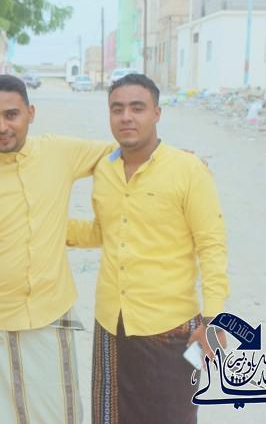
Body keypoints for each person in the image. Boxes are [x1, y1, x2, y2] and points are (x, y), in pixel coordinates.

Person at [0, 74, 113, 423]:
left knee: (58, 416)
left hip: (50, 315)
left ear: (30, 113)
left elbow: (119, 154)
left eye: (12, 115)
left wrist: (173, 162)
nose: (2, 127)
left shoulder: (59, 153)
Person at [66, 74, 229, 424]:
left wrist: (214, 320)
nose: (126, 117)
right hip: (112, 325)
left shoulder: (187, 170)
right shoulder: (105, 170)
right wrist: (48, 227)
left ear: (157, 112)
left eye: (137, 108)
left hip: (170, 330)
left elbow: (212, 245)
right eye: (117, 109)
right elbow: (104, 231)